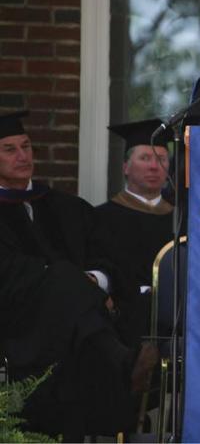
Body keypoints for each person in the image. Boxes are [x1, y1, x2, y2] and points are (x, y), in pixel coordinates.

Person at [0, 111, 153, 440]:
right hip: (22, 326)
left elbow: (110, 260)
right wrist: (66, 281)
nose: (23, 156)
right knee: (63, 277)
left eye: (26, 146)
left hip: (77, 331)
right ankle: (125, 363)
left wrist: (95, 280)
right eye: (9, 149)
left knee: (88, 287)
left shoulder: (69, 207)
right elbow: (10, 275)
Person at [95, 118, 174, 347]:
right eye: (145, 158)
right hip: (121, 325)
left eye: (161, 159)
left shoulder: (182, 219)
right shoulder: (101, 218)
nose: (154, 166)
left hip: (173, 323)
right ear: (125, 167)